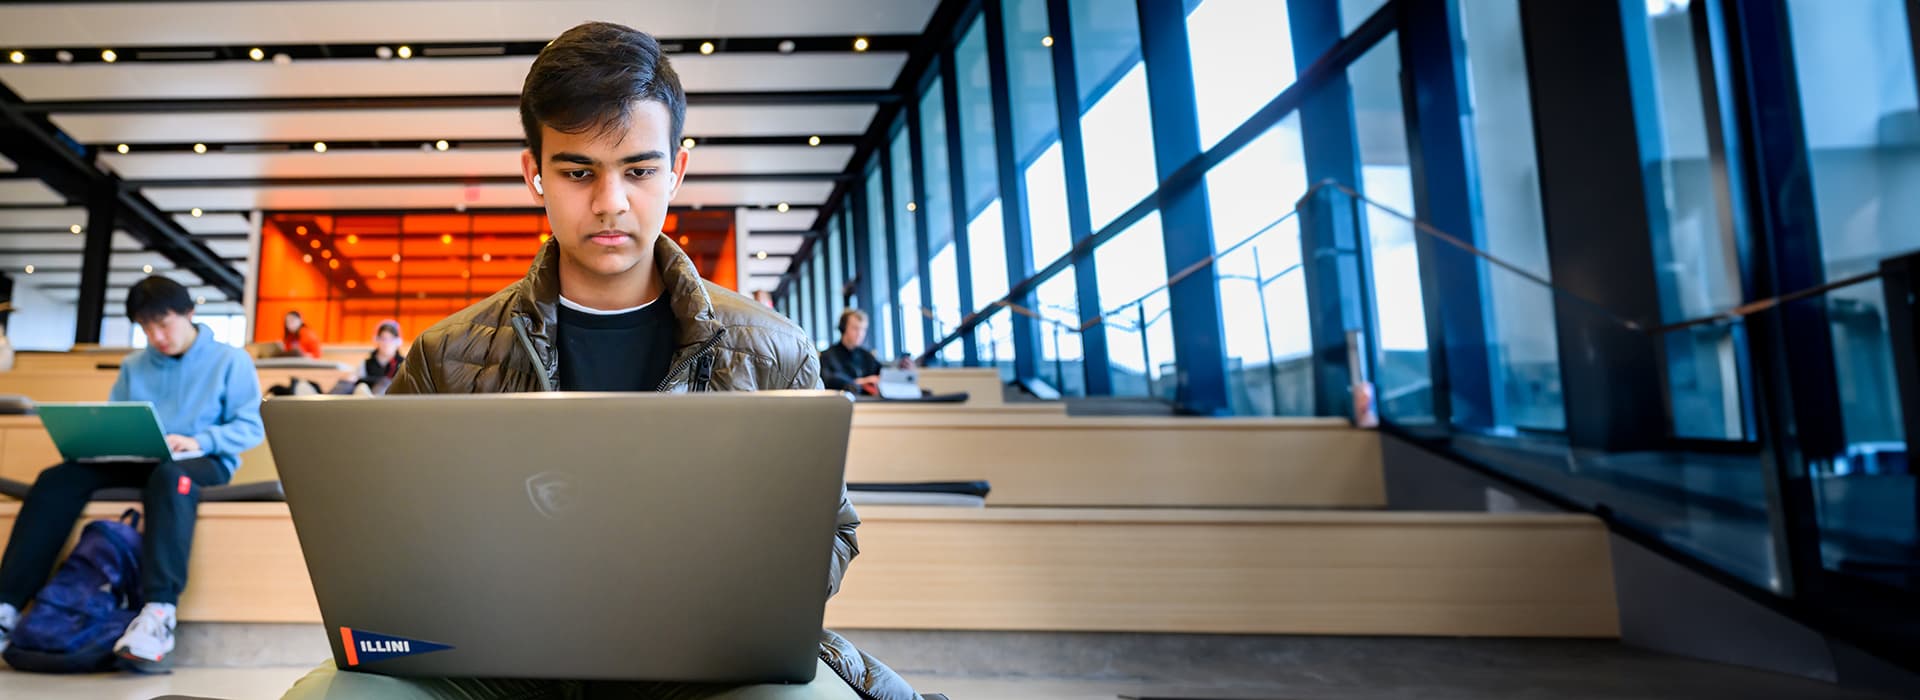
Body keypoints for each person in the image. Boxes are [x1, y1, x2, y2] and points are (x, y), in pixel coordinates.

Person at [281, 21, 918, 700]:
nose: (611, 201)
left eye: (639, 170)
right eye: (578, 170)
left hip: (703, 657)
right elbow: (385, 538)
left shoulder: (775, 350)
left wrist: (730, 584)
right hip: (498, 664)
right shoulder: (447, 354)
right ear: (535, 174)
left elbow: (833, 532)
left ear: (676, 171)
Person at [0, 276, 264, 671]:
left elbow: (251, 426)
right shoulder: (134, 365)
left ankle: (159, 613)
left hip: (201, 460)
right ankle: (7, 607)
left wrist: (200, 440)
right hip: (138, 457)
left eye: (164, 323)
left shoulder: (231, 360)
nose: (156, 336)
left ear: (189, 313)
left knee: (171, 478)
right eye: (146, 327)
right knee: (57, 478)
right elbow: (117, 418)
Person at [820, 309, 883, 396]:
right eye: (855, 328)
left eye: (863, 329)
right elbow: (828, 380)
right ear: (843, 328)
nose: (860, 334)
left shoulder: (867, 356)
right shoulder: (828, 356)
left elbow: (881, 373)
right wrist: (860, 382)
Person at [361, 320, 404, 386]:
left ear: (398, 342)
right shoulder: (367, 363)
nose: (386, 343)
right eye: (383, 339)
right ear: (377, 340)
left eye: (391, 339)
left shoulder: (403, 364)